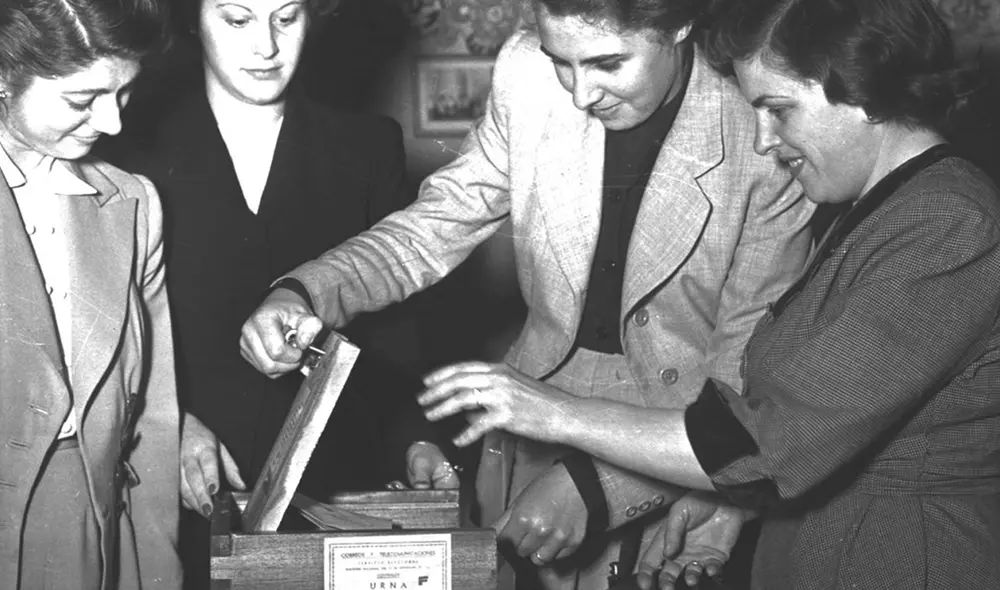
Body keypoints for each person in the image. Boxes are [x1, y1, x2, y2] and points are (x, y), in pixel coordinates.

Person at [417, 0, 1000, 588]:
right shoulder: (885, 211)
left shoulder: (948, 223)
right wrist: (729, 502)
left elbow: (769, 442)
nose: (764, 140)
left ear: (866, 91)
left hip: (903, 561)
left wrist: (555, 413)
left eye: (778, 110)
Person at [239, 0, 816, 587]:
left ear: (680, 24)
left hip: (681, 449)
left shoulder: (759, 126)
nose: (580, 94)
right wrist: (305, 291)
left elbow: (745, 378)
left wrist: (599, 487)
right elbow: (436, 223)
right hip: (531, 425)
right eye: (561, 62)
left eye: (608, 63)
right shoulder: (526, 72)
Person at [97, 0, 458, 586]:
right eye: (237, 20)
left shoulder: (368, 145)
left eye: (285, 18)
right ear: (193, 19)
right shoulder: (124, 144)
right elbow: (107, 327)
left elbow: (399, 327)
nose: (265, 46)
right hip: (185, 490)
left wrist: (417, 435)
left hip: (340, 480)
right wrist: (166, 421)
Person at [0, 0, 181, 588]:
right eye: (82, 100)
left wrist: (156, 570)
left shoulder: (133, 204)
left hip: (93, 527)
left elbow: (154, 418)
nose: (113, 123)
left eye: (124, 93)